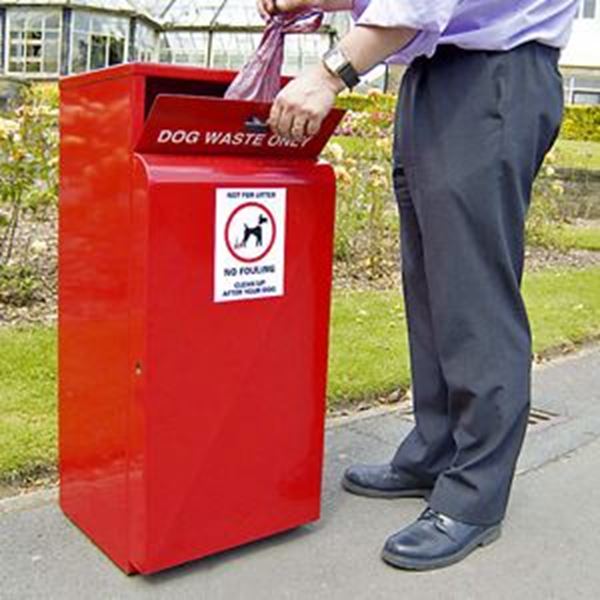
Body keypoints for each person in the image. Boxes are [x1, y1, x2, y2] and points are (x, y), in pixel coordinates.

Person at [257, 0, 579, 570]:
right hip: (440, 74)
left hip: (494, 74)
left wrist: (330, 70)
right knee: (432, 286)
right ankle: (435, 451)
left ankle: (475, 496)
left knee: (474, 295)